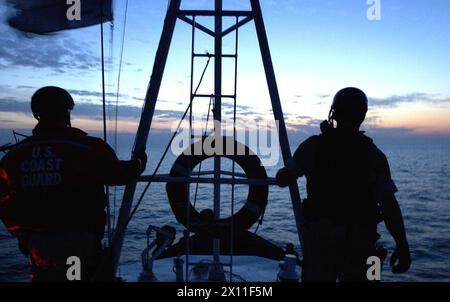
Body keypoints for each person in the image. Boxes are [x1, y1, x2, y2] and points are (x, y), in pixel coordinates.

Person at [0, 86, 147, 281]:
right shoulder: (87, 148)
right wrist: (139, 162)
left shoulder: (14, 157)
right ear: (66, 112)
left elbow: (5, 203)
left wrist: (23, 237)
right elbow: (118, 174)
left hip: (37, 246)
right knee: (75, 278)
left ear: (37, 114)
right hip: (78, 243)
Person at [276, 87, 411, 282]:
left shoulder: (313, 147)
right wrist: (402, 245)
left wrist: (287, 171)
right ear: (362, 115)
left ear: (334, 112)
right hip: (362, 244)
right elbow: (389, 206)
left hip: (320, 243)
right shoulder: (374, 156)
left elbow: (283, 179)